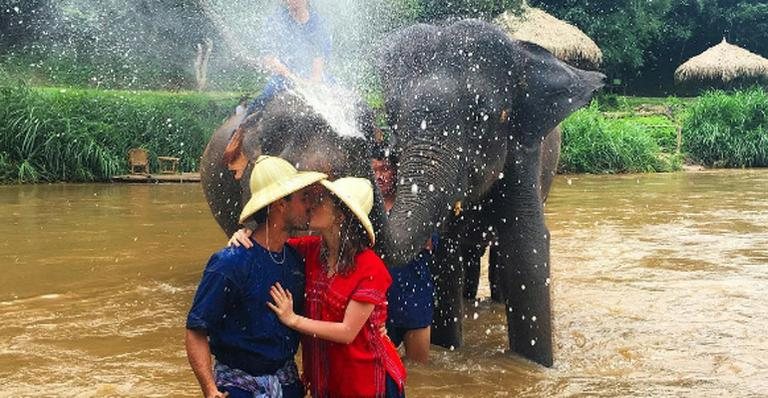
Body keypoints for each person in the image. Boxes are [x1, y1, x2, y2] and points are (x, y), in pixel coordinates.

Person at [185, 155, 326, 398]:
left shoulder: (296, 259)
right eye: (303, 199)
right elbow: (196, 330)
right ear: (281, 204)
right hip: (240, 389)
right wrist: (209, 389)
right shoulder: (230, 263)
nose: (309, 206)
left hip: (288, 385)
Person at [268, 177, 406, 397]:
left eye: (321, 201)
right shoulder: (311, 251)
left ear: (341, 216)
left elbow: (347, 331)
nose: (311, 204)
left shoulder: (370, 267)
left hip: (368, 382)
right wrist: (246, 235)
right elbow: (270, 245)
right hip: (328, 379)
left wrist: (293, 319)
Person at [372, 151, 435, 363]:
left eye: (385, 169)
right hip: (380, 304)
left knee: (420, 374)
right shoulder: (368, 209)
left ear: (397, 172)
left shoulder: (414, 206)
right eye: (374, 171)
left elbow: (433, 243)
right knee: (381, 368)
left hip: (415, 300)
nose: (380, 176)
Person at [246, 0, 332, 115]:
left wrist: (313, 83)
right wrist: (294, 79)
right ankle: (242, 127)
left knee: (337, 91)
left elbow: (319, 60)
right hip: (283, 77)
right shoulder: (276, 21)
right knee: (265, 97)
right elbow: (270, 59)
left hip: (314, 77)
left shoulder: (318, 23)